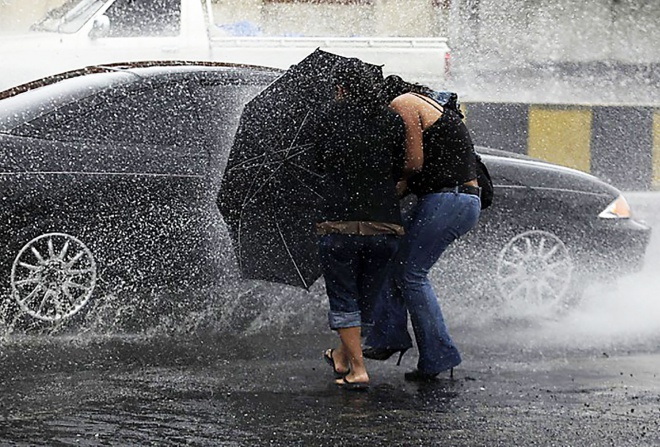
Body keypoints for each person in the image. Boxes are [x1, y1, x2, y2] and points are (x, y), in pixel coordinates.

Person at [364, 75, 482, 381]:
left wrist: (387, 196)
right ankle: (387, 339)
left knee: (411, 275)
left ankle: (439, 355)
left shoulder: (402, 103)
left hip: (449, 199)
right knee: (398, 267)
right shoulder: (430, 103)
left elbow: (414, 163)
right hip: (455, 199)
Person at [315, 61, 406, 390]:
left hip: (339, 222)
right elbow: (400, 166)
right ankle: (342, 356)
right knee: (367, 298)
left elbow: (318, 162)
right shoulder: (392, 119)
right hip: (385, 225)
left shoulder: (327, 117)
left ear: (342, 88)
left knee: (343, 297)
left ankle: (358, 368)